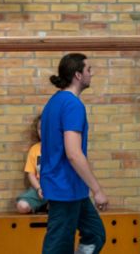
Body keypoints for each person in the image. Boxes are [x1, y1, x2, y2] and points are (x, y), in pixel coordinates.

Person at [40, 53, 107, 254]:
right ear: (78, 75)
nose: (91, 74)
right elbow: (73, 153)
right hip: (64, 189)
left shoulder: (56, 101)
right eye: (88, 70)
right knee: (58, 248)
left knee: (95, 234)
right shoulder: (72, 105)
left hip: (73, 189)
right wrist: (97, 190)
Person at [15, 113, 47, 214]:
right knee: (22, 206)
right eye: (40, 129)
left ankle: (47, 206)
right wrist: (38, 189)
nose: (43, 132)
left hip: (57, 190)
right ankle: (40, 205)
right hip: (39, 189)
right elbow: (31, 174)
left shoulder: (61, 148)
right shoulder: (34, 149)